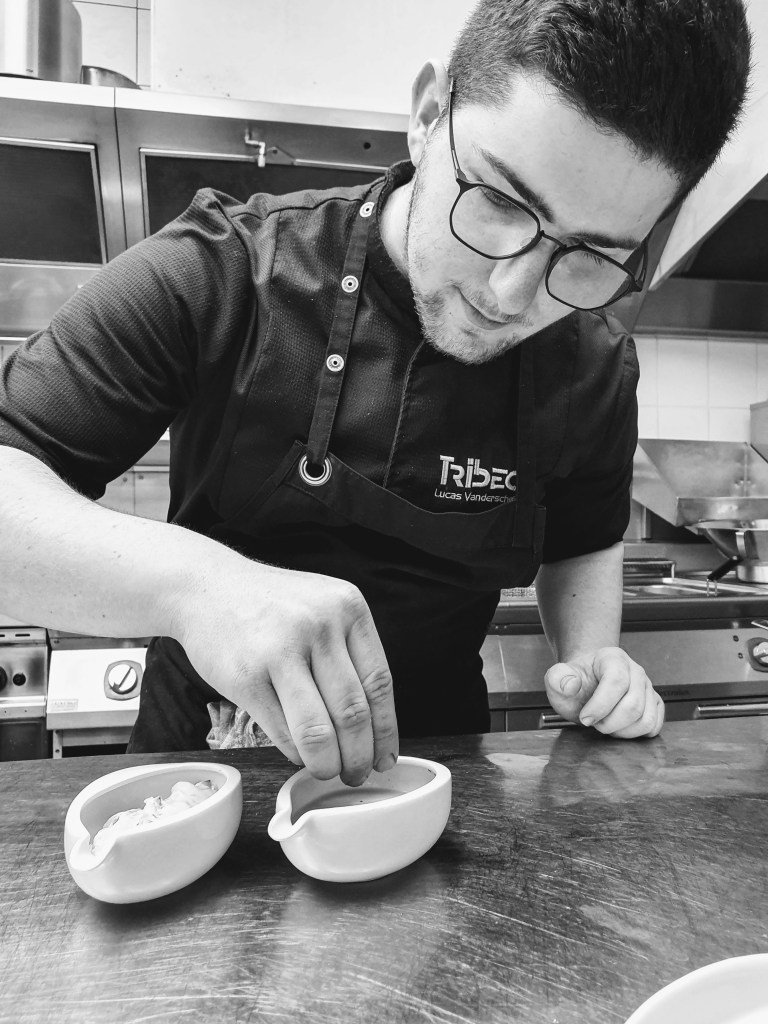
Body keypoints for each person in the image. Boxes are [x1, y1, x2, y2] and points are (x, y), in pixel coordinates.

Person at [0, 0, 751, 784]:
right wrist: (198, 588)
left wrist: (592, 657)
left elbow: (583, 541)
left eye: (592, 256)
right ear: (427, 116)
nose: (510, 296)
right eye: (499, 202)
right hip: (204, 776)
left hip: (444, 787)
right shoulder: (223, 272)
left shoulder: (593, 368)